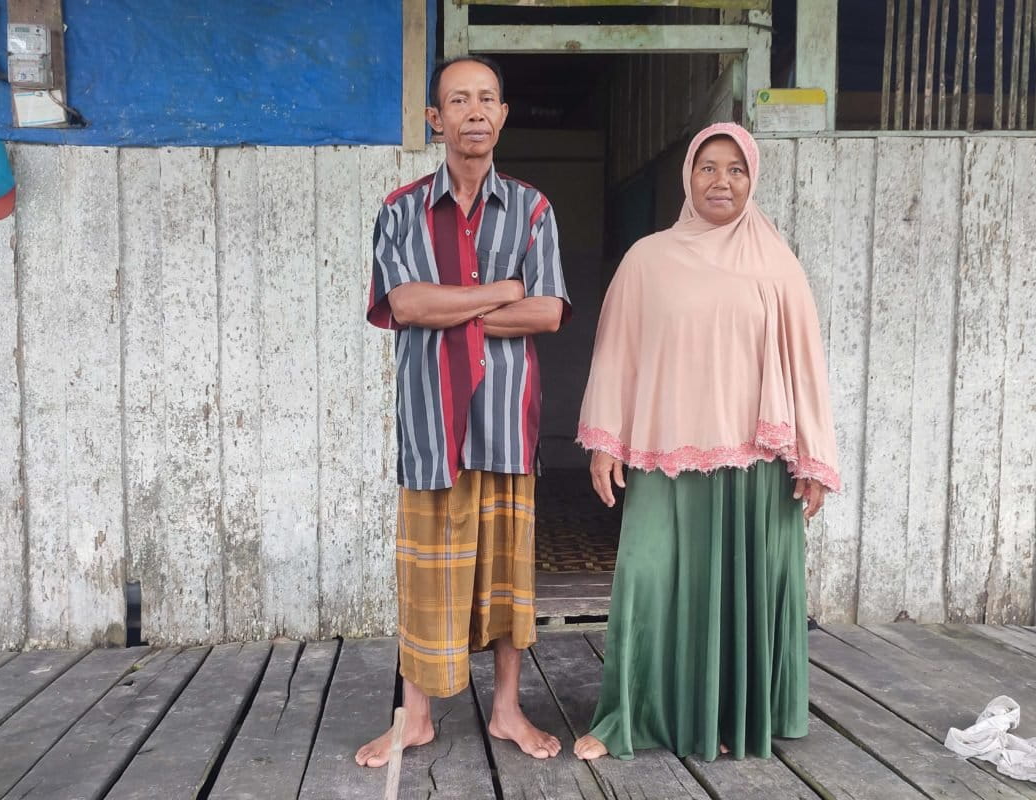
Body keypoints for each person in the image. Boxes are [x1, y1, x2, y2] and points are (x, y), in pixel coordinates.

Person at [573, 122, 840, 762]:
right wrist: (606, 441)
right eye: (708, 167)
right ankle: (632, 716)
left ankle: (726, 717)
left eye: (736, 169)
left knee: (739, 592)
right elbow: (617, 353)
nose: (722, 181)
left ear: (752, 180)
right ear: (688, 177)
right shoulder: (647, 260)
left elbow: (806, 365)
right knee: (651, 576)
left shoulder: (776, 262)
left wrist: (813, 458)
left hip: (756, 465)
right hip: (665, 456)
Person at [355, 56, 571, 768]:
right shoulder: (401, 209)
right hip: (431, 424)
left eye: (486, 99)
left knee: (508, 578)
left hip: (507, 421)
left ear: (502, 115)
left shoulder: (533, 209)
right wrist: (500, 291)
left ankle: (506, 709)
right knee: (426, 577)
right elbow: (405, 304)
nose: (474, 111)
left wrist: (452, 308)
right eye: (458, 100)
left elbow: (547, 312)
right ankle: (415, 717)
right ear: (435, 119)